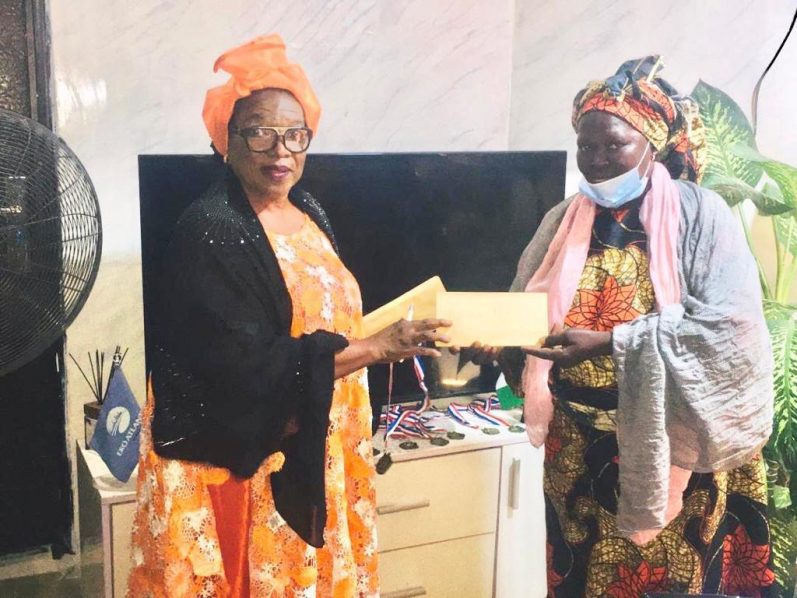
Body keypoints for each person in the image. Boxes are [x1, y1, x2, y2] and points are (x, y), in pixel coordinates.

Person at [127, 34, 449, 597]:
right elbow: (242, 364)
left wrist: (392, 333)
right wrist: (375, 348)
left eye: (295, 135)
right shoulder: (212, 228)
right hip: (250, 457)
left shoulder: (308, 210)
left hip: (322, 434)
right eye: (260, 132)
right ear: (226, 142)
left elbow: (327, 319)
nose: (281, 151)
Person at [473, 56, 774, 596]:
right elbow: (526, 312)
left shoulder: (701, 217)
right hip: (576, 452)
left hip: (673, 443)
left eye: (614, 145)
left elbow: (733, 332)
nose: (597, 160)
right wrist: (500, 344)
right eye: (586, 146)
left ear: (651, 145)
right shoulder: (563, 220)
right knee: (582, 577)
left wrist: (610, 343)